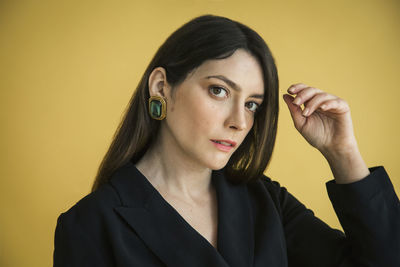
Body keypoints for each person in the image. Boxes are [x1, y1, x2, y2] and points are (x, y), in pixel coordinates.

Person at [53, 14, 400, 267]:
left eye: (252, 105)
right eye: (218, 90)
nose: (238, 121)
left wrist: (343, 153)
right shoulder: (90, 224)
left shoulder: (264, 200)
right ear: (161, 86)